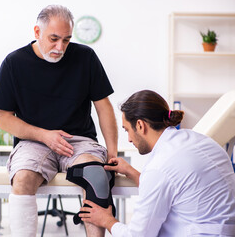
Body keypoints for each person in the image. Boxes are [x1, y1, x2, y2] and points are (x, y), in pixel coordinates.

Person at [0, 5, 118, 237]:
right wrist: (44, 135)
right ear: (37, 32)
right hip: (34, 142)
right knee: (23, 178)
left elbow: (104, 107)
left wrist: (113, 152)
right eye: (54, 39)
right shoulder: (14, 63)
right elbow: (4, 119)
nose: (60, 47)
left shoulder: (85, 57)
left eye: (66, 40)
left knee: (96, 176)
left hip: (78, 141)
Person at [79, 90, 235, 236]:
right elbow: (175, 188)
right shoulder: (198, 140)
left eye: (127, 130)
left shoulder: (160, 167)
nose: (129, 139)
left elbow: (138, 236)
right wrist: (132, 173)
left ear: (140, 125)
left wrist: (107, 220)